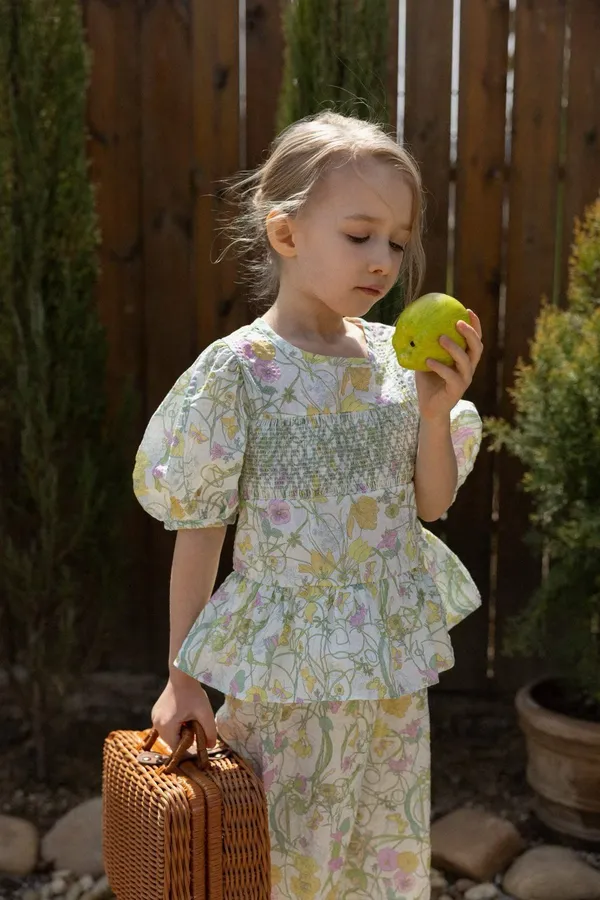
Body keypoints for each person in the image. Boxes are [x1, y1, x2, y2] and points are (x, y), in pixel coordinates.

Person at [133, 111, 484, 900]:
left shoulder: (397, 364)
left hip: (387, 680)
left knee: (379, 863)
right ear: (286, 233)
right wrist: (183, 679)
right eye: (359, 235)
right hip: (287, 682)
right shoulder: (242, 371)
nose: (383, 258)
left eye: (397, 241)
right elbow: (200, 532)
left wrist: (434, 414)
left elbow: (431, 506)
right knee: (282, 866)